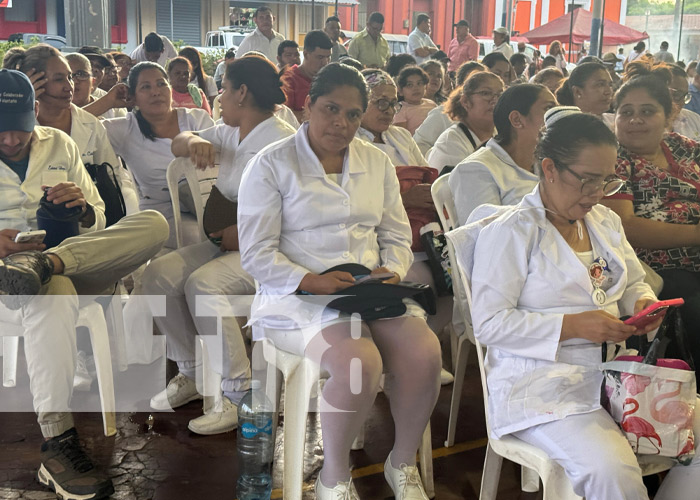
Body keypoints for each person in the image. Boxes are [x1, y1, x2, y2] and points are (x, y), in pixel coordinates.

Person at [465, 105, 700, 500]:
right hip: (540, 384)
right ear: (550, 168)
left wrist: (643, 304)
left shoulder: (604, 221)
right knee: (614, 471)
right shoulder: (511, 233)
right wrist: (572, 326)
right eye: (587, 181)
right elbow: (488, 324)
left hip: (616, 376)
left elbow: (633, 283)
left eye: (606, 181)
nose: (596, 194)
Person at [238, 62, 440, 500]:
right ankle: (334, 475)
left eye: (352, 114)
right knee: (357, 363)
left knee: (424, 352)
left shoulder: (376, 161)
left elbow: (395, 234)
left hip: (366, 289)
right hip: (295, 297)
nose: (341, 123)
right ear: (308, 105)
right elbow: (256, 254)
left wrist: (395, 270)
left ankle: (401, 463)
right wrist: (310, 280)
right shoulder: (271, 165)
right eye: (331, 109)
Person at [0, 68, 169, 500]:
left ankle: (47, 262)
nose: (10, 141)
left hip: (71, 257)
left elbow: (97, 216)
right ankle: (57, 442)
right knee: (51, 293)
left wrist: (81, 209)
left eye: (18, 131)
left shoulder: (60, 143)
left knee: (153, 223)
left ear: (34, 113)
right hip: (8, 280)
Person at [143, 55, 296, 435]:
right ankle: (193, 372)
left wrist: (245, 234)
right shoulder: (230, 131)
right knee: (158, 275)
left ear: (242, 92)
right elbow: (178, 142)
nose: (220, 96)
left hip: (267, 249)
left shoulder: (281, 142)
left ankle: (239, 394)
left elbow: (294, 216)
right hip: (225, 242)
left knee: (204, 285)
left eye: (224, 89)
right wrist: (194, 140)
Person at [357, 68, 455, 383]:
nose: (388, 110)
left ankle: (421, 351)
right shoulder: (352, 143)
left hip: (419, 233)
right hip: (377, 237)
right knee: (414, 279)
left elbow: (425, 172)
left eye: (392, 103)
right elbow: (355, 202)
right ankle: (403, 359)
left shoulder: (400, 136)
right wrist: (404, 198)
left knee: (454, 280)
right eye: (379, 102)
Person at [604, 75, 700, 374]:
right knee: (694, 308)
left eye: (647, 111)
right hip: (653, 269)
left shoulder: (683, 148)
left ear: (669, 114)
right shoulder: (612, 159)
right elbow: (626, 227)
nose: (635, 120)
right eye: (626, 112)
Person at [5, 45, 138, 216]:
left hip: (85, 221)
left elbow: (113, 177)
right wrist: (24, 97)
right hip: (34, 221)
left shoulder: (90, 123)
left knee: (153, 222)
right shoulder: (15, 130)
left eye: (71, 77)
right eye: (59, 79)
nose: (70, 86)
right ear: (35, 82)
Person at [103, 62, 214, 248]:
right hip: (162, 217)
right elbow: (72, 130)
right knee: (204, 243)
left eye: (161, 84)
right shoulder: (125, 129)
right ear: (133, 97)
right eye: (145, 87)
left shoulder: (196, 119)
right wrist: (108, 101)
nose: (155, 92)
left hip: (207, 205)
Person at [449, 83, 556, 225]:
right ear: (517, 120)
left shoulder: (548, 163)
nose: (557, 117)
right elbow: (484, 237)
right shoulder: (474, 170)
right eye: (548, 109)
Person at [427, 71, 501, 172]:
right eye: (486, 93)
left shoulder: (502, 134)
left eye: (500, 94)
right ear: (466, 102)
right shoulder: (451, 144)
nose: (495, 100)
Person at [413, 61, 485, 155]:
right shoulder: (442, 114)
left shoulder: (491, 117)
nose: (482, 88)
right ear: (460, 87)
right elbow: (418, 147)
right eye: (474, 83)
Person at [282, 30, 332, 123]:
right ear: (305, 54)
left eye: (328, 57)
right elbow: (285, 117)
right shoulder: (288, 79)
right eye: (320, 57)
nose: (325, 62)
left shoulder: (331, 79)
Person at [393, 65, 437, 135]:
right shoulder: (400, 109)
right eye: (410, 85)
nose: (416, 88)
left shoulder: (431, 104)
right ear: (400, 90)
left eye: (419, 83)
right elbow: (401, 137)